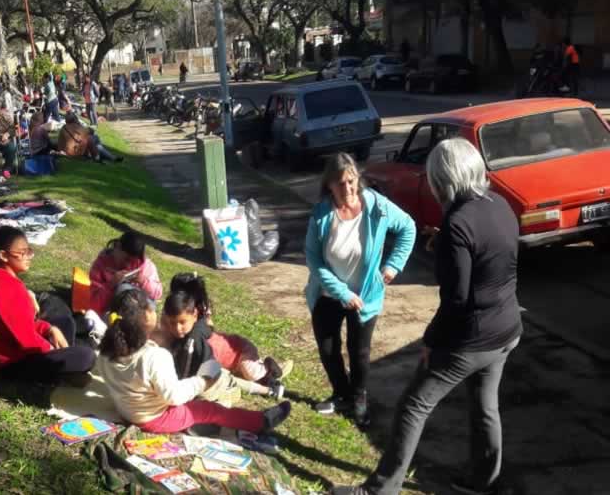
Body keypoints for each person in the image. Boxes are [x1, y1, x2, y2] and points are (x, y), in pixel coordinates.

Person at [332, 138, 523, 495]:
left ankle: (380, 489)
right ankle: (484, 481)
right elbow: (490, 256)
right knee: (486, 407)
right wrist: (448, 245)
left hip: (471, 338)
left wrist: (432, 343)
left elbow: (456, 300)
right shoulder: (499, 204)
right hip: (507, 327)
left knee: (413, 405)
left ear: (442, 179)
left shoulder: (458, 224)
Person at [305, 153, 416, 427]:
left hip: (366, 296)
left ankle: (359, 400)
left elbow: (408, 228)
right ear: (329, 185)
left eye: (352, 181)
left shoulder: (376, 206)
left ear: (358, 179)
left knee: (360, 352)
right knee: (329, 349)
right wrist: (342, 293)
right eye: (340, 183)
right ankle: (341, 394)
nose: (348, 189)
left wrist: (393, 266)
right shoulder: (321, 214)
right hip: (329, 294)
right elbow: (314, 260)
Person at [96, 288, 292, 434]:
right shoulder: (153, 356)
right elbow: (173, 397)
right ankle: (261, 421)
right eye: (152, 306)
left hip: (126, 410)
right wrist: (203, 381)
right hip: (154, 418)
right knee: (211, 410)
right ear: (147, 319)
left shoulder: (107, 347)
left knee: (201, 399)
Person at [0, 226, 96, 385]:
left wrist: (49, 329)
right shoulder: (5, 287)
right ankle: (61, 371)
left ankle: (69, 352)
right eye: (23, 252)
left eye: (29, 250)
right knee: (86, 356)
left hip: (10, 347)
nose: (30, 256)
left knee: (63, 324)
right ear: (3, 255)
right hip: (7, 362)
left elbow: (24, 323)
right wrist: (52, 349)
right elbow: (26, 339)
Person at [157, 273, 290, 398]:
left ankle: (268, 368)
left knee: (251, 373)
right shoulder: (180, 321)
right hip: (223, 361)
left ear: (194, 312)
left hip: (239, 351)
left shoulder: (196, 335)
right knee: (237, 375)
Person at [89, 231, 162, 315]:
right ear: (117, 247)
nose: (128, 265)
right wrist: (111, 284)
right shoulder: (102, 264)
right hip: (111, 313)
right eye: (126, 259)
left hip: (142, 312)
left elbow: (158, 294)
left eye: (133, 262)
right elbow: (94, 302)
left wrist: (143, 281)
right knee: (122, 289)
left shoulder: (146, 266)